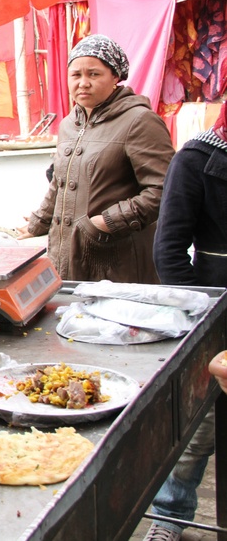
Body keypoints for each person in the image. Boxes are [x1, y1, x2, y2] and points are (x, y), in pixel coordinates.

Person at [16, 34, 174, 283]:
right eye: (76, 75)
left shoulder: (139, 121)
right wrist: (39, 221)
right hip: (66, 253)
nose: (83, 83)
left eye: (94, 74)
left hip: (116, 257)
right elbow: (60, 182)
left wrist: (108, 221)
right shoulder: (69, 124)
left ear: (115, 78)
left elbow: (164, 189)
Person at [142, 103, 227, 541]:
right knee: (200, 425)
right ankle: (170, 516)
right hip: (215, 310)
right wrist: (204, 317)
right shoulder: (195, 158)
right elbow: (169, 251)